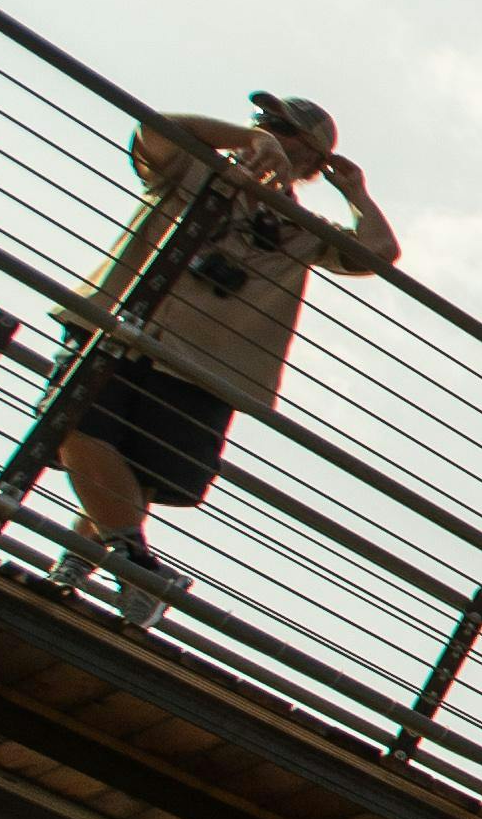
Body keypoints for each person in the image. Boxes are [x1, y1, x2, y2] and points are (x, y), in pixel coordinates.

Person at [38, 93, 396, 626]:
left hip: (202, 365)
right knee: (73, 425)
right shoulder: (196, 165)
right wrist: (248, 139)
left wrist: (357, 195)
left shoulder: (302, 229)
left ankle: (93, 559)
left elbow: (379, 253)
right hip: (119, 325)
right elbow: (157, 126)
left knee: (139, 471)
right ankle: (133, 565)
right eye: (263, 120)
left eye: (281, 127)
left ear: (312, 162)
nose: (264, 128)